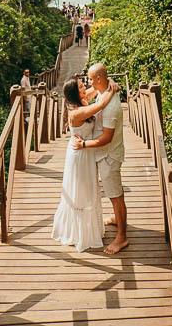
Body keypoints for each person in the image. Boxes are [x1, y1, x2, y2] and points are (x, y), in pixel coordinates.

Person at [51, 75, 118, 252]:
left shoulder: (80, 100)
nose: (84, 89)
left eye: (83, 85)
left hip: (85, 151)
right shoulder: (76, 112)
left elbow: (96, 90)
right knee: (82, 192)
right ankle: (81, 234)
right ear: (74, 93)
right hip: (80, 154)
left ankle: (88, 229)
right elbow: (101, 104)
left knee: (89, 189)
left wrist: (107, 82)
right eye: (81, 87)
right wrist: (112, 90)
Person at [73, 62, 128, 254]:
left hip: (109, 155)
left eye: (90, 78)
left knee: (115, 195)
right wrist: (110, 82)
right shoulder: (103, 92)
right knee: (113, 193)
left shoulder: (111, 106)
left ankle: (121, 237)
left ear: (98, 79)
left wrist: (84, 145)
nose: (87, 82)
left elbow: (106, 138)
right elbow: (98, 94)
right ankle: (116, 218)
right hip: (104, 154)